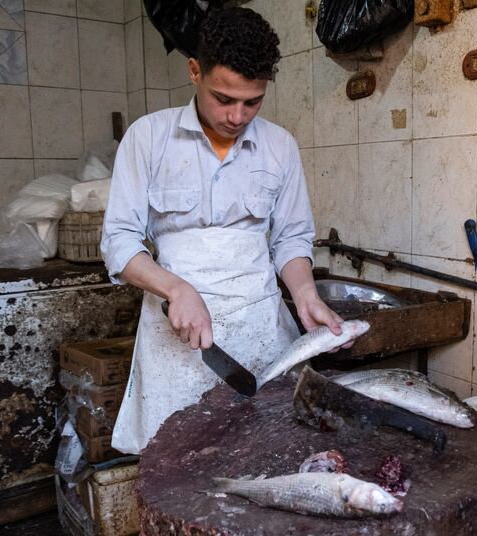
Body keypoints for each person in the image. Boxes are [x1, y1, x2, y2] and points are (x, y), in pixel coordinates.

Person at [100, 7, 348, 455]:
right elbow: (119, 241)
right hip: (178, 334)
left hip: (262, 330)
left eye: (252, 102)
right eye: (224, 99)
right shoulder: (148, 138)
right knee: (180, 464)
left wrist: (306, 295)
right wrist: (175, 289)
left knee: (269, 454)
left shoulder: (279, 147)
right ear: (195, 71)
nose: (237, 116)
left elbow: (290, 239)